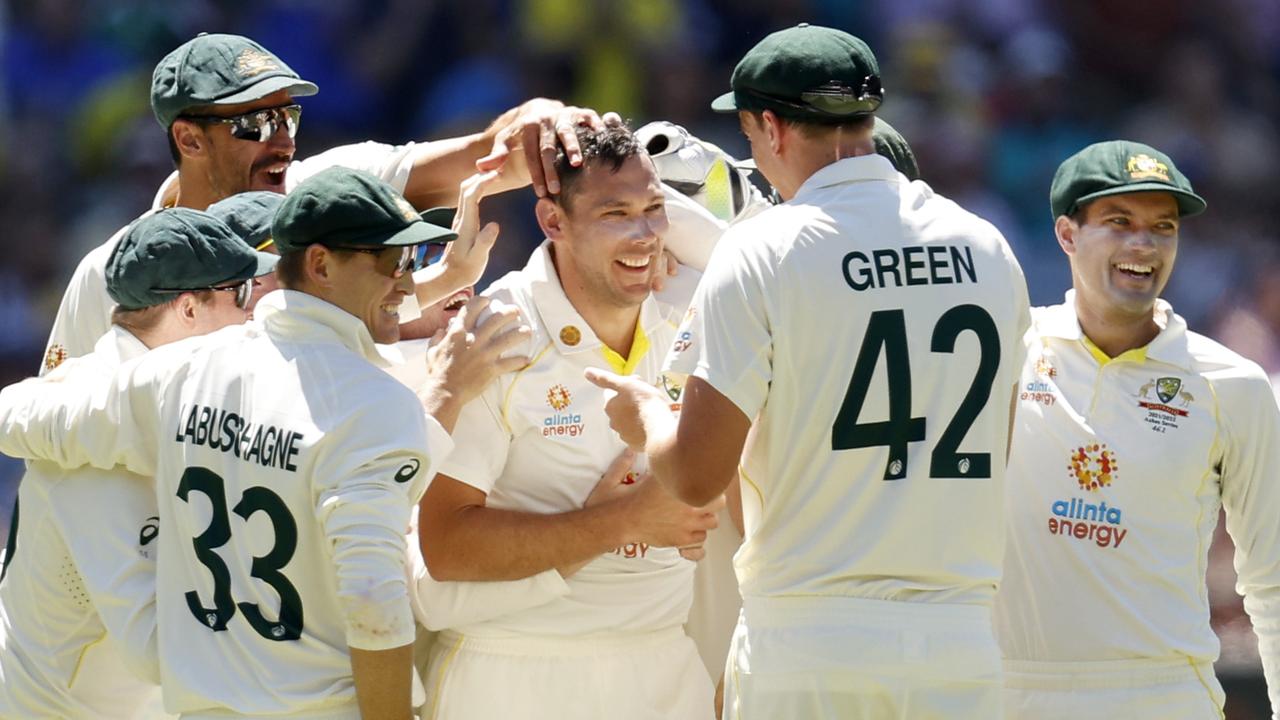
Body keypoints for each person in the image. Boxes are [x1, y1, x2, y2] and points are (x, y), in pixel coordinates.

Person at [586, 23, 1031, 719]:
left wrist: (645, 416)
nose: (756, 160)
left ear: (772, 126)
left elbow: (698, 476)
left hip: (811, 637)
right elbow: (995, 450)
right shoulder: (988, 245)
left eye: (751, 138)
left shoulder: (763, 250)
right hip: (960, 638)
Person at [0, 167, 527, 719]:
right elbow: (373, 600)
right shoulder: (355, 404)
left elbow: (25, 416)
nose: (404, 281)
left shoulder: (187, 371)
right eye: (391, 263)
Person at [40, 32, 609, 373]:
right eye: (256, 122)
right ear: (189, 139)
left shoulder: (331, 188)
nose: (283, 139)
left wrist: (542, 119)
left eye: (288, 115)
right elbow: (53, 428)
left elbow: (491, 155)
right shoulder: (113, 273)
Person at [415, 123, 721, 720]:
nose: (644, 235)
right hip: (513, 676)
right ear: (553, 222)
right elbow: (445, 546)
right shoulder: (493, 332)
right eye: (615, 214)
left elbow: (769, 253)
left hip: (664, 663)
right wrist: (624, 521)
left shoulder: (692, 301)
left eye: (654, 209)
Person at [991, 140, 1280, 719]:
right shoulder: (1005, 355)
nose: (1144, 245)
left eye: (1163, 227)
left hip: (1164, 695)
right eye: (1119, 223)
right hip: (1009, 693)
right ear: (1067, 235)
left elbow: (1272, 579)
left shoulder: (1234, 383)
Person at [0, 207, 277, 720]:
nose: (251, 316)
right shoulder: (88, 446)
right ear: (189, 309)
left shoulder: (150, 392)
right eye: (240, 294)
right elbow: (154, 647)